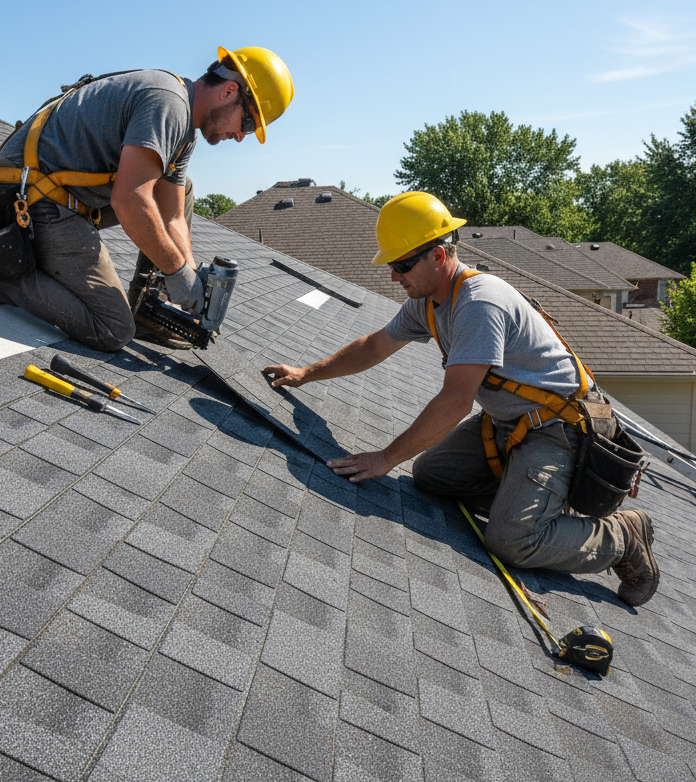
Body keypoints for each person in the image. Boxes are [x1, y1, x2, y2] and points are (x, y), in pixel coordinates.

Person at [262, 191, 659, 607]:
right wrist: (307, 373)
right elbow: (374, 346)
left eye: (401, 265)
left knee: (511, 541)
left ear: (437, 255)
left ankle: (622, 537)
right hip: (510, 425)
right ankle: (536, 505)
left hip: (560, 432)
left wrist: (384, 458)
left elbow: (455, 403)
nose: (394, 277)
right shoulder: (429, 302)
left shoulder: (479, 302)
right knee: (432, 475)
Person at [0, 45, 294, 351]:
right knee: (113, 328)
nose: (242, 136)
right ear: (229, 92)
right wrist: (177, 273)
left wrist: (190, 278)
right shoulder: (169, 105)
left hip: (60, 195)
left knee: (185, 188)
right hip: (31, 196)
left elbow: (174, 215)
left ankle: (146, 308)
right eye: (248, 123)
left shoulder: (185, 126)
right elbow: (130, 200)